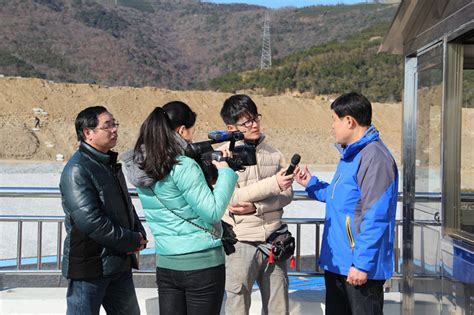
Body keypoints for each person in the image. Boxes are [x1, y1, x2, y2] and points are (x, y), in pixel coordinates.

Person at [121, 101, 238, 315]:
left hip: (166, 262)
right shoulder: (181, 166)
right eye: (191, 131)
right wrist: (226, 172)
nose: (192, 137)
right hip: (201, 264)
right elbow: (212, 211)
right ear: (181, 130)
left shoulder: (143, 166)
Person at [294, 92, 398, 315]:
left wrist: (362, 264)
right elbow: (340, 197)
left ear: (349, 121)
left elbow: (375, 216)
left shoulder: (375, 158)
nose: (332, 127)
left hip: (359, 268)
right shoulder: (352, 155)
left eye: (334, 120)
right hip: (340, 263)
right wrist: (311, 184)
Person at [60, 106, 148, 315]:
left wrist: (138, 232)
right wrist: (129, 240)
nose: (114, 130)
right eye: (107, 126)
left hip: (117, 261)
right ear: (87, 133)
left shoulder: (107, 163)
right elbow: (90, 220)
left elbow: (123, 204)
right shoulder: (77, 169)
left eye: (114, 124)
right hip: (89, 264)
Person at [219, 94, 294, 315]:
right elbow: (232, 198)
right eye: (246, 122)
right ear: (231, 127)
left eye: (255, 118)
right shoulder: (224, 155)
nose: (254, 125)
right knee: (237, 305)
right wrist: (274, 184)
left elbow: (288, 193)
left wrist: (257, 208)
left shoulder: (274, 153)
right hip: (240, 242)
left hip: (274, 240)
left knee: (278, 307)